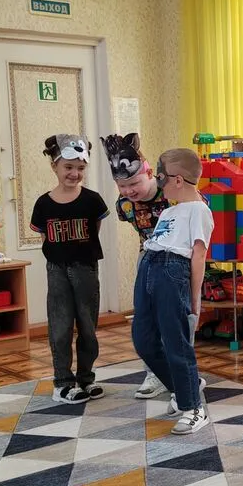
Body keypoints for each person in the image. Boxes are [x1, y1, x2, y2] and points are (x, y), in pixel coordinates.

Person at [132, 148, 213, 434]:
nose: (158, 184)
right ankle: (183, 387)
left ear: (178, 180)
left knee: (177, 343)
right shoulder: (168, 211)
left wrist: (194, 300)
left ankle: (194, 408)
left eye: (161, 178)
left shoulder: (200, 210)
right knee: (143, 340)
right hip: (149, 266)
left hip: (172, 270)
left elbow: (199, 255)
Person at [30, 135, 109, 405]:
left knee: (88, 326)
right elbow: (44, 237)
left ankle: (86, 378)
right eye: (68, 167)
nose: (74, 173)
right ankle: (63, 383)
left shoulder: (92, 200)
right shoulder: (43, 204)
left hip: (86, 268)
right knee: (60, 326)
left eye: (80, 168)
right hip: (57, 270)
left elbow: (94, 229)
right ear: (54, 166)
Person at [100, 132, 173, 400]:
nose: (129, 190)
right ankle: (154, 373)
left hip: (177, 261)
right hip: (147, 259)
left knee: (175, 320)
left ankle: (180, 372)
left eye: (134, 183)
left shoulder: (173, 193)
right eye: (122, 186)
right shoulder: (124, 205)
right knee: (146, 320)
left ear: (149, 173)